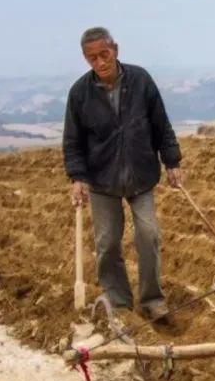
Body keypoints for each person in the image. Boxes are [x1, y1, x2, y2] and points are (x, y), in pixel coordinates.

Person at [61, 26, 182, 321]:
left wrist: (172, 162)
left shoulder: (141, 81)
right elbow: (73, 141)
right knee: (107, 243)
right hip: (102, 180)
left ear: (116, 50)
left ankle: (153, 300)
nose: (100, 62)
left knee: (149, 235)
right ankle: (120, 302)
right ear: (85, 59)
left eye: (104, 54)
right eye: (93, 58)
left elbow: (160, 124)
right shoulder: (79, 93)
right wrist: (78, 177)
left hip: (141, 176)